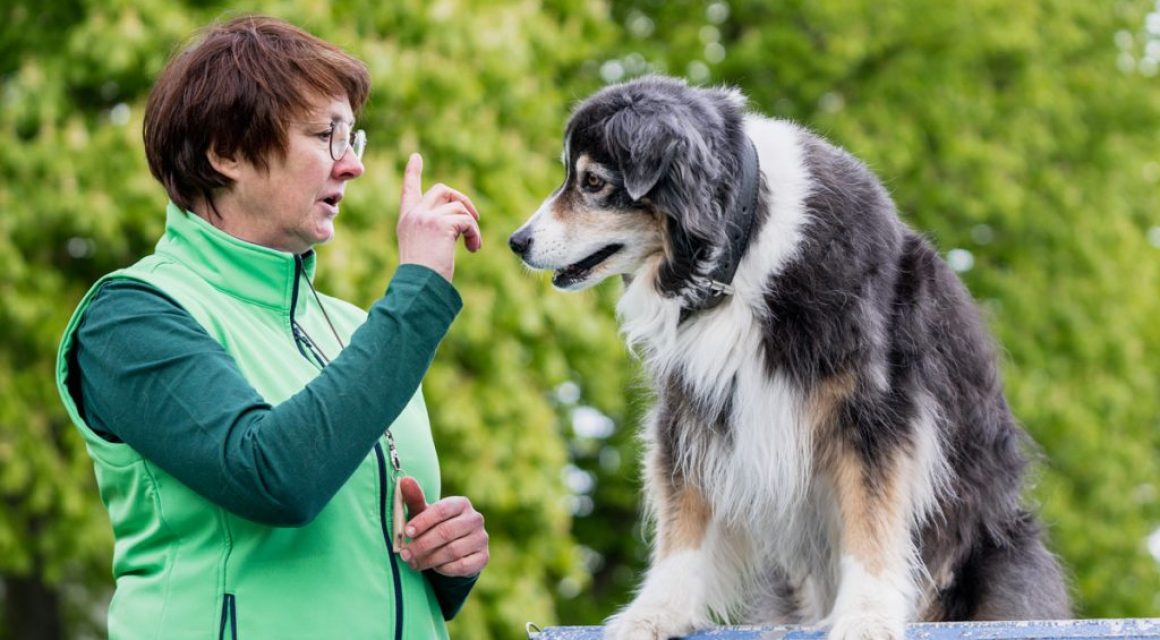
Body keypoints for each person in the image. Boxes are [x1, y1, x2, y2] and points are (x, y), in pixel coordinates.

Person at [54, 15, 488, 639]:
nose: (352, 167)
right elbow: (275, 477)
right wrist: (418, 290)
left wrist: (450, 561)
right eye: (326, 137)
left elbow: (358, 551)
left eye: (353, 140)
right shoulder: (130, 317)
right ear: (225, 152)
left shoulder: (355, 327)